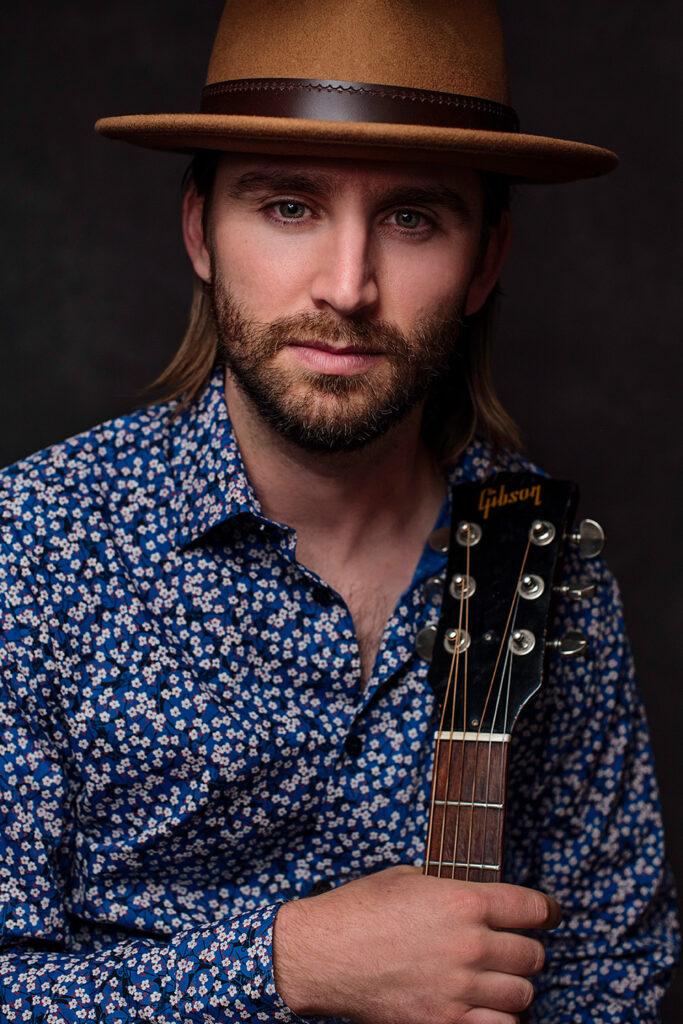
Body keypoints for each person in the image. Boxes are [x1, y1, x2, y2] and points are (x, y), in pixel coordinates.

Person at [0, 1, 679, 1021]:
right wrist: (291, 962)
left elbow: (614, 967)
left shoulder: (540, 558)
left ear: (484, 261)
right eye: (287, 206)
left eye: (411, 217)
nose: (347, 285)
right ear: (200, 230)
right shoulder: (34, 545)